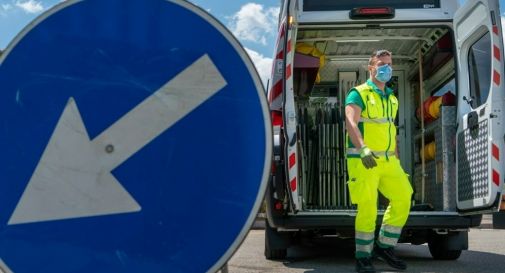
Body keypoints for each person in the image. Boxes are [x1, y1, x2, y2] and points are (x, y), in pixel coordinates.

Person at [344, 49, 413, 273]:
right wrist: (363, 148)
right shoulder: (358, 93)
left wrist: (397, 158)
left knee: (404, 196)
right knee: (368, 207)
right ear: (371, 68)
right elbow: (351, 122)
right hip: (364, 159)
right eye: (382, 64)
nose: (387, 68)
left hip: (389, 161)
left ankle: (384, 246)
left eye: (389, 64)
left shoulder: (391, 98)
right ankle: (363, 256)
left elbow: (391, 131)